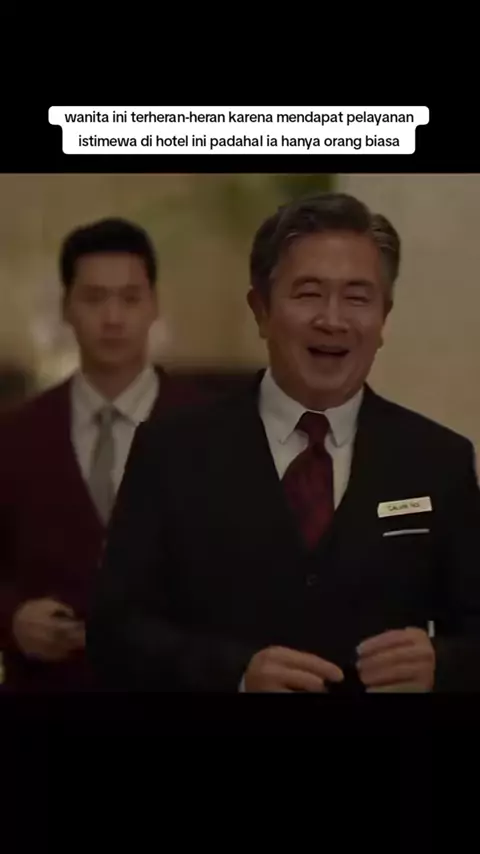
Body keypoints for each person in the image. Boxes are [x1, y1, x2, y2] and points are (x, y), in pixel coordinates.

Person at [87, 193, 480, 693]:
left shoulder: (438, 461)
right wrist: (235, 675)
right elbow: (113, 634)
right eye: (309, 293)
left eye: (358, 298)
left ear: (384, 317)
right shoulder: (171, 452)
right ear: (261, 310)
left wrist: (442, 666)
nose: (333, 320)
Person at [0, 217, 206, 691]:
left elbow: (248, 574)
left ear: (154, 306)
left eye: (130, 299)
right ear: (66, 308)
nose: (113, 318)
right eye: (94, 298)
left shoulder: (215, 432)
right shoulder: (15, 435)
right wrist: (12, 618)